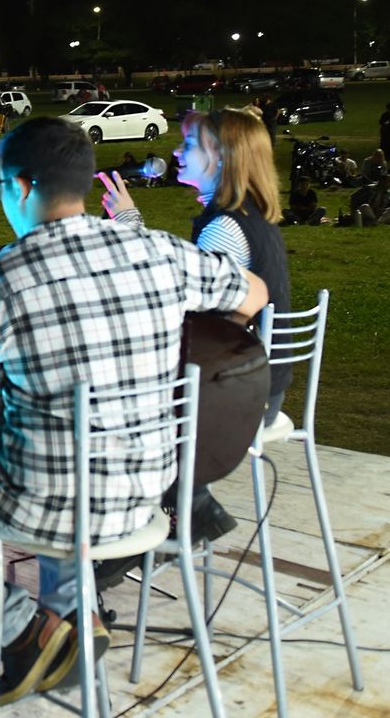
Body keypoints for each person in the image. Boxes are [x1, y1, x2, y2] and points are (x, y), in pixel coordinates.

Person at [0, 117, 268, 706]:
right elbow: (253, 295)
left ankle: (20, 627)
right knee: (54, 463)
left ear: (18, 186)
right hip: (146, 491)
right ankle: (74, 619)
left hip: (48, 501)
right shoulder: (160, 251)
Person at [97, 106, 290, 554]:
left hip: (235, 400)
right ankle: (191, 512)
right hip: (258, 384)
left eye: (188, 145)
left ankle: (116, 552)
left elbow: (178, 308)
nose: (177, 152)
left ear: (220, 157)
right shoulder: (250, 216)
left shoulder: (224, 230)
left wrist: (127, 227)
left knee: (110, 424)